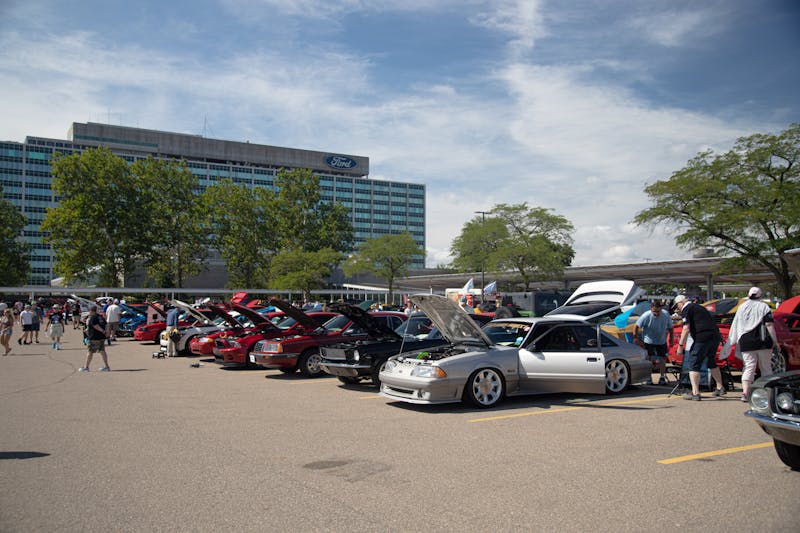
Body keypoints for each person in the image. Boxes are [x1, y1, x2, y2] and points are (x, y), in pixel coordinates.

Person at [720, 287, 779, 402]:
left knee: (748, 367)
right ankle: (767, 393)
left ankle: (745, 393)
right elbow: (769, 325)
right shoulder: (764, 307)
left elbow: (736, 324)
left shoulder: (742, 307)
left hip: (746, 341)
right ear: (760, 295)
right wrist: (775, 341)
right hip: (763, 341)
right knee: (765, 367)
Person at [674, 295, 727, 400]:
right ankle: (720, 387)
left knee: (694, 364)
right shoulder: (700, 307)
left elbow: (686, 328)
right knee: (711, 362)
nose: (678, 308)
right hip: (715, 337)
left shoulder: (687, 309)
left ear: (680, 302)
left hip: (701, 338)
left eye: (677, 306)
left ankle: (695, 393)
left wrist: (680, 345)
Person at [633, 301, 674, 385]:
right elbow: (636, 326)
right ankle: (649, 377)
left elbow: (671, 327)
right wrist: (635, 337)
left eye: (658, 311)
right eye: (654, 312)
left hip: (661, 340)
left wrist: (671, 339)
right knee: (649, 358)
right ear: (651, 309)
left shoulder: (666, 314)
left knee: (663, 358)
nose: (656, 313)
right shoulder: (646, 315)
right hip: (648, 340)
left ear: (661, 309)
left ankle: (662, 377)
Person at [79, 305, 110, 372]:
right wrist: (106, 332)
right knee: (102, 351)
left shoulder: (93, 317)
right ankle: (106, 366)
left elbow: (95, 326)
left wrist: (103, 331)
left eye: (89, 311)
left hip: (94, 337)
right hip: (101, 337)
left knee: (90, 352)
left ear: (91, 311)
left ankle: (86, 367)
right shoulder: (100, 317)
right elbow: (106, 325)